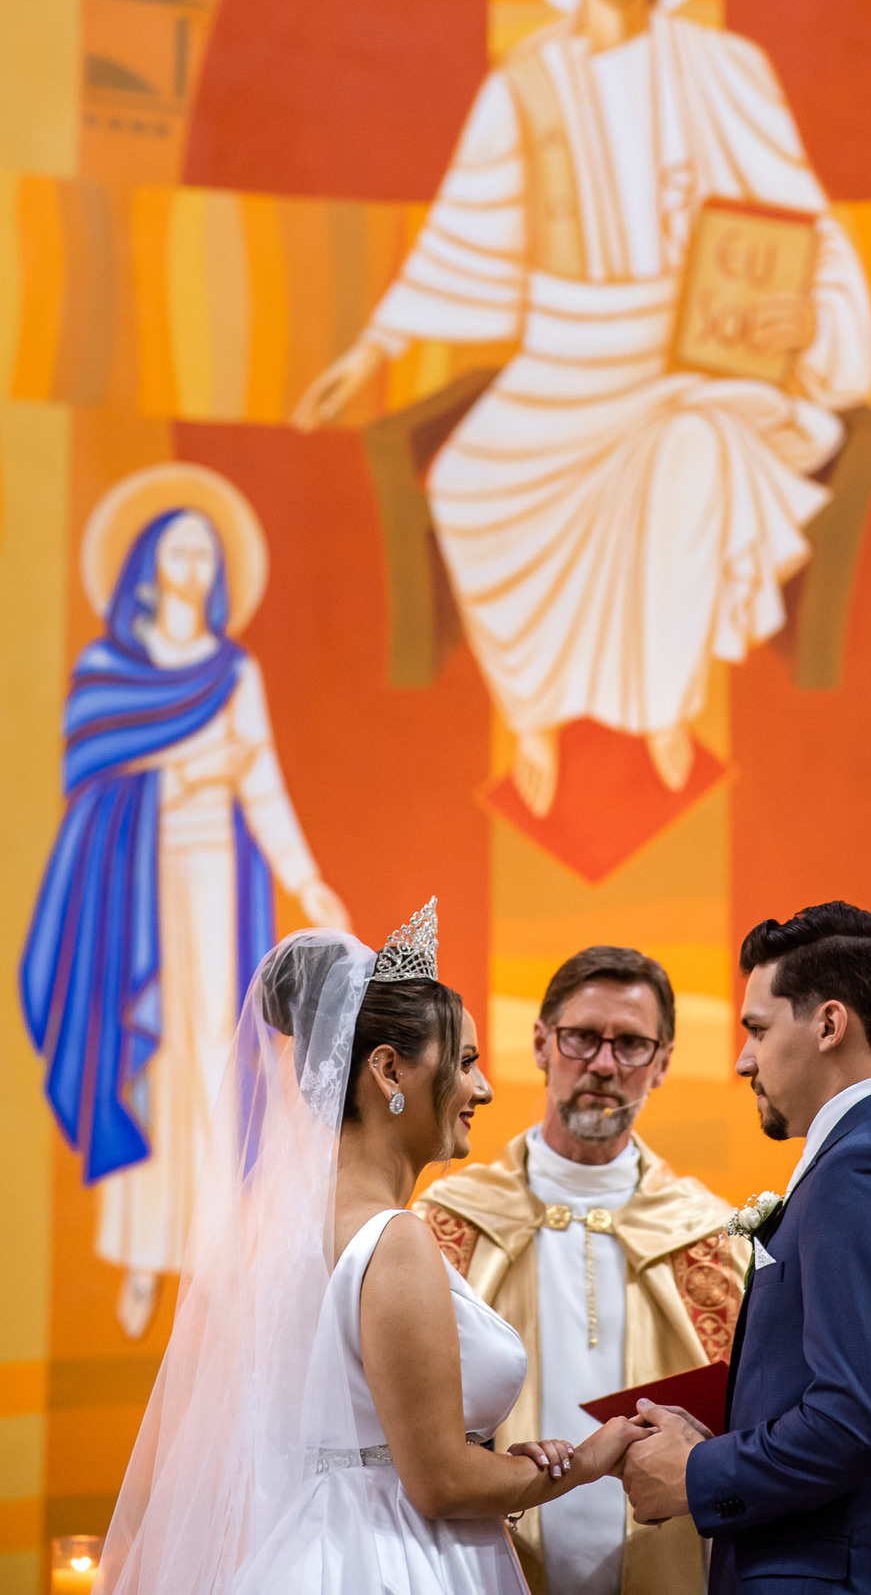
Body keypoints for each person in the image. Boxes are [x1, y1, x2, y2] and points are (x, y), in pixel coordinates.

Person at [294, 0, 871, 819]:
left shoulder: (722, 68)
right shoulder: (525, 82)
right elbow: (459, 231)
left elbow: (803, 214)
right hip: (563, 355)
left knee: (693, 459)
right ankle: (533, 714)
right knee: (470, 490)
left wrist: (805, 313)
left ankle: (663, 706)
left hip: (686, 353)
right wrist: (373, 346)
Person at [95, 899, 647, 1595]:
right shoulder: (393, 1239)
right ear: (389, 1071)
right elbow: (439, 1481)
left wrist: (504, 1465)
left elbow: (371, 1439)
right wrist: (587, 1461)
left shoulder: (277, 1234)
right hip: (393, 1563)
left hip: (310, 1548)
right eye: (467, 1061)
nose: (482, 1087)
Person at [21, 465, 347, 1342]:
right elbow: (85, 775)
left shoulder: (233, 670)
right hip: (132, 895)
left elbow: (265, 785)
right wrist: (188, 772)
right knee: (151, 1061)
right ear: (150, 566)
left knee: (219, 1058)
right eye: (181, 552)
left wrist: (308, 879)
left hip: (220, 889)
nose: (195, 567)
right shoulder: (107, 668)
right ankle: (136, 1251)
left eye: (208, 554)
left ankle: (210, 1255)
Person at [621, 902, 871, 1595]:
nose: (743, 1060)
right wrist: (710, 1434)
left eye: (757, 1029)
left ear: (828, 1024)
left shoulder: (869, 1169)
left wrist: (698, 1474)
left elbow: (855, 1423)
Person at [415, 945, 749, 1595]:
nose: (602, 1064)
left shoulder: (713, 1237)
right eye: (581, 1038)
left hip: (667, 1557)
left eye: (630, 1045)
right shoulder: (444, 1226)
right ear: (541, 1043)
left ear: (663, 1063)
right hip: (485, 1559)